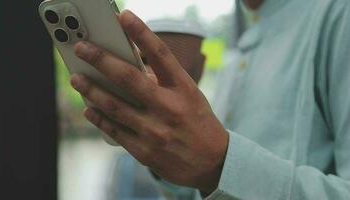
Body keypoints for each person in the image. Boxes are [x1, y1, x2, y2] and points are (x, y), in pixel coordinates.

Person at [69, 0, 350, 199]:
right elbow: (202, 188)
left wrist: (219, 164)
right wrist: (163, 149)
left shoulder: (339, 16)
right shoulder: (235, 46)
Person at [107, 19, 207, 200]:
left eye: (175, 63)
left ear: (199, 68)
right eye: (144, 60)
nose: (152, 73)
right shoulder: (124, 162)